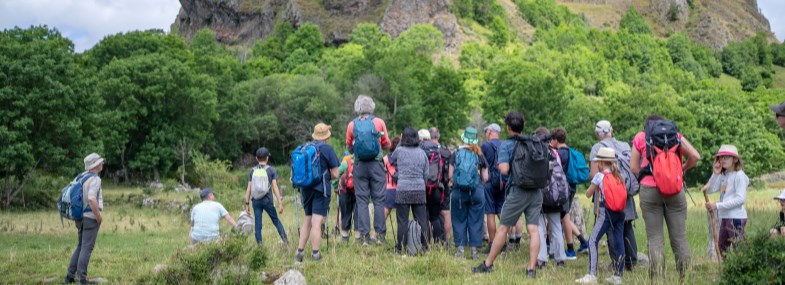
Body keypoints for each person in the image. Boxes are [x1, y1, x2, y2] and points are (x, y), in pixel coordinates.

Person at [473, 111, 542, 278]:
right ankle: (531, 269)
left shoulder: (508, 145)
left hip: (518, 191)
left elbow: (504, 169)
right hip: (536, 191)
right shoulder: (533, 142)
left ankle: (488, 264)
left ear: (508, 127)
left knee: (503, 227)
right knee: (533, 229)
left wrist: (501, 166)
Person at [631, 115, 700, 280]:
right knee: (680, 238)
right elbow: (695, 156)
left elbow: (633, 167)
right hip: (675, 190)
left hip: (649, 190)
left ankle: (657, 279)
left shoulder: (641, 137)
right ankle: (685, 277)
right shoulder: (675, 136)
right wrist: (682, 170)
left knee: (655, 238)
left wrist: (647, 177)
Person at [588, 121, 637, 270]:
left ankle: (617, 263)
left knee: (611, 228)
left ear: (597, 134)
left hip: (607, 196)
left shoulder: (597, 148)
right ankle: (631, 262)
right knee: (626, 226)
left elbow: (593, 174)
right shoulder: (624, 145)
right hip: (624, 191)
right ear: (611, 130)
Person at [575, 148, 626, 285]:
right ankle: (618, 276)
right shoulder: (619, 175)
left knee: (592, 241)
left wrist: (596, 186)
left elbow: (587, 194)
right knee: (618, 240)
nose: (596, 163)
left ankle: (592, 275)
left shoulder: (599, 176)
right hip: (620, 213)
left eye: (597, 161)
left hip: (606, 212)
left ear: (601, 162)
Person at [346, 95, 391, 245]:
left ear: (357, 108)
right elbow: (387, 144)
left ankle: (364, 237)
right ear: (372, 107)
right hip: (377, 164)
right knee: (379, 200)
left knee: (362, 201)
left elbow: (348, 146)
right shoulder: (378, 122)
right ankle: (379, 235)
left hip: (359, 165)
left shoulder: (352, 125)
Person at [295, 123, 340, 262]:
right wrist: (326, 175)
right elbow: (335, 174)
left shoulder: (306, 148)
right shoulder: (327, 149)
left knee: (307, 220)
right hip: (321, 189)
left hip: (305, 189)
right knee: (316, 222)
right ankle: (315, 254)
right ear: (326, 136)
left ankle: (299, 253)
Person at [64, 153, 105, 285]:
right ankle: (82, 279)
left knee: (81, 246)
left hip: (79, 217)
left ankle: (69, 277)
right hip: (90, 217)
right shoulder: (95, 179)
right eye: (100, 162)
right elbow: (92, 198)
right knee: (87, 247)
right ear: (95, 165)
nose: (102, 163)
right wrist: (98, 216)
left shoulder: (80, 176)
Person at [449, 127, 488, 260]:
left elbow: (450, 175)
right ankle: (474, 252)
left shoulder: (455, 153)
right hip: (476, 192)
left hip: (458, 192)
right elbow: (486, 177)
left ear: (464, 138)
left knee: (459, 220)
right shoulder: (480, 155)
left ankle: (460, 251)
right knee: (476, 220)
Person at [551, 128, 589, 259]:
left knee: (564, 218)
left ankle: (571, 250)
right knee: (564, 216)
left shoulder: (558, 154)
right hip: (571, 187)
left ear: (555, 140)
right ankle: (584, 242)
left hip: (562, 189)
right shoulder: (571, 152)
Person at [391, 127, 430, 254]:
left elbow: (392, 158)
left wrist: (400, 142)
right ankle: (424, 247)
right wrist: (420, 184)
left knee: (402, 220)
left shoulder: (400, 151)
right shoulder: (422, 153)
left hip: (403, 189)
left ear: (403, 138)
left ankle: (400, 248)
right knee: (421, 220)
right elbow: (426, 174)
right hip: (419, 189)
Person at [704, 145, 748, 256]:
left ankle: (742, 271)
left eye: (727, 157)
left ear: (735, 159)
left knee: (739, 249)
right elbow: (709, 189)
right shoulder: (724, 175)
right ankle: (728, 272)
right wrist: (715, 173)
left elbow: (740, 199)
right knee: (722, 249)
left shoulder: (740, 175)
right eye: (721, 157)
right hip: (725, 217)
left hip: (736, 217)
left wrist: (717, 205)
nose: (723, 160)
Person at [535, 127, 566, 268]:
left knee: (540, 227)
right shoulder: (555, 152)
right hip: (555, 196)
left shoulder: (537, 152)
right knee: (556, 227)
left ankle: (541, 259)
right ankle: (560, 259)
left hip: (541, 195)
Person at [245, 147, 288, 245]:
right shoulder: (271, 170)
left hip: (255, 201)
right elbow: (275, 187)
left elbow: (249, 189)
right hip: (267, 200)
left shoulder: (252, 171)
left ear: (256, 158)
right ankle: (285, 241)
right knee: (276, 220)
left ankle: (259, 246)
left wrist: (247, 204)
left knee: (258, 224)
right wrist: (280, 203)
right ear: (267, 158)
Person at [420, 128, 446, 244]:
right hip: (436, 187)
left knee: (423, 217)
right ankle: (438, 243)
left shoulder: (419, 149)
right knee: (435, 217)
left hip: (422, 188)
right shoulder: (437, 149)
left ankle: (424, 243)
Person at [430, 127, 453, 244]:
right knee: (446, 212)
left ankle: (430, 238)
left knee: (430, 213)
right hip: (444, 186)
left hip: (430, 187)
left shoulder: (426, 149)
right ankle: (447, 240)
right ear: (438, 137)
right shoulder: (446, 151)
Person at [337, 153, 359, 242]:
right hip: (358, 191)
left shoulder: (346, 163)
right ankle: (358, 236)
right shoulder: (361, 163)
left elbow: (336, 174)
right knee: (358, 213)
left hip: (344, 191)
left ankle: (345, 236)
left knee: (345, 212)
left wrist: (336, 187)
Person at [383, 137, 401, 221]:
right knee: (402, 215)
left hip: (389, 187)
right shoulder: (403, 157)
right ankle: (402, 233)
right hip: (402, 188)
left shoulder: (386, 158)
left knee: (385, 212)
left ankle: (376, 233)